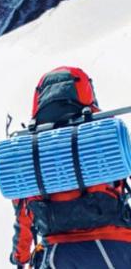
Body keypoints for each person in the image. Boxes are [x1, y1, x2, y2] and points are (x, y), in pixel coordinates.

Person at [9, 67, 131, 268]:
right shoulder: (104, 133)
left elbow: (24, 215)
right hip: (118, 247)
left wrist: (20, 258)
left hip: (60, 254)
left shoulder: (32, 153)